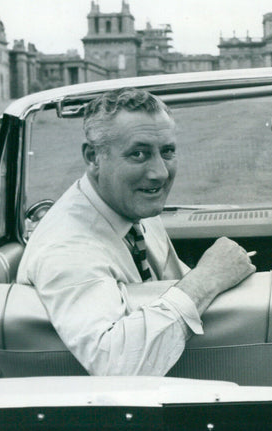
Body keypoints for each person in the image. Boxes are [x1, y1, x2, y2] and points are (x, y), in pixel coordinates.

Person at [16, 88, 255, 376]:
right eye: (139, 154)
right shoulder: (67, 248)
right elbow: (115, 365)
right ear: (93, 157)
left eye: (167, 152)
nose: (160, 173)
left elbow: (170, 286)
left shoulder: (131, 207)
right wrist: (206, 278)